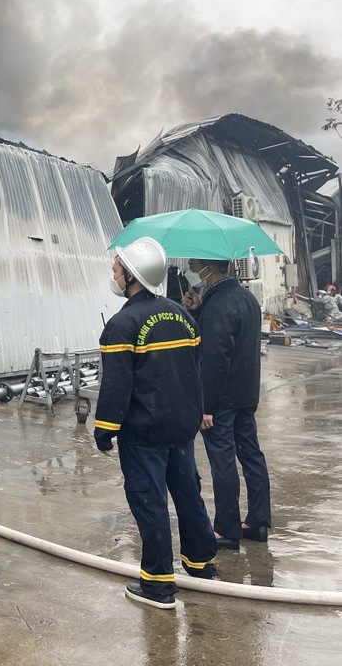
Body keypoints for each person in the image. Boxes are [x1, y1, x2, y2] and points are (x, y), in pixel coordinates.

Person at [94, 236, 218, 610]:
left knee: (149, 503)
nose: (113, 275)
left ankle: (159, 584)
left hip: (144, 432)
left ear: (132, 276)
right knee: (188, 495)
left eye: (117, 269)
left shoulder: (122, 325)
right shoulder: (183, 315)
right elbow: (194, 371)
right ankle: (201, 563)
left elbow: (117, 386)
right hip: (180, 428)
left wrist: (105, 429)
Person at [182, 258, 271, 548]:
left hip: (221, 398)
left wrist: (206, 406)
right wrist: (198, 309)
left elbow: (215, 359)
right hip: (246, 393)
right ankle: (257, 522)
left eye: (195, 265)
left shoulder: (220, 303)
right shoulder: (246, 298)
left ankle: (226, 528)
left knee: (223, 461)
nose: (192, 271)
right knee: (251, 455)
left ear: (211, 268)